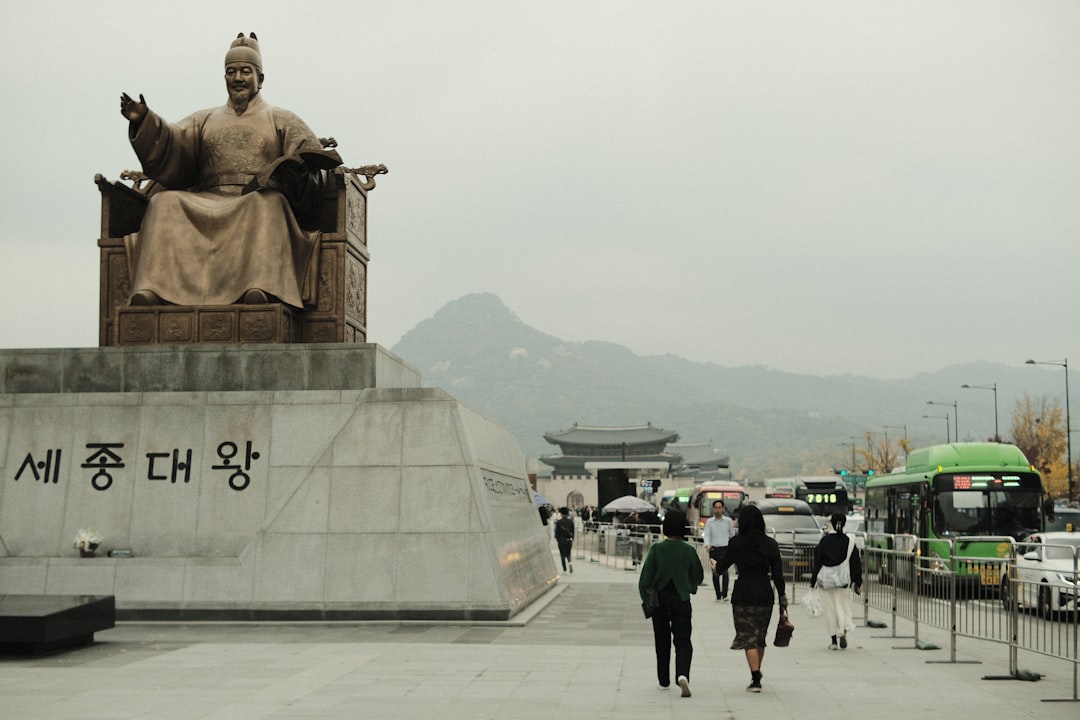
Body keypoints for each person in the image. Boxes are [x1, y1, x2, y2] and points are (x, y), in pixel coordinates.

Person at [119, 32, 340, 309]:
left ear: (260, 78)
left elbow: (310, 160)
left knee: (267, 205)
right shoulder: (204, 119)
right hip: (207, 196)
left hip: (256, 198)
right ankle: (153, 289)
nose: (237, 78)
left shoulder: (282, 119)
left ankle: (259, 287)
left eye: (245, 72)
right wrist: (146, 122)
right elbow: (174, 140)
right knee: (164, 202)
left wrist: (298, 174)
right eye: (231, 72)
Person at [716, 504, 787, 693]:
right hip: (765, 594)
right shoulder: (770, 544)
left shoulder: (736, 543)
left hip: (743, 594)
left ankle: (756, 679)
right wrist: (783, 597)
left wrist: (715, 563)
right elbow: (778, 575)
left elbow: (721, 567)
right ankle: (756, 671)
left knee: (748, 638)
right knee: (759, 637)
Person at [638, 510, 704, 698]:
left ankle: (663, 679)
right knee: (683, 639)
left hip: (659, 601)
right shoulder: (689, 550)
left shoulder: (656, 549)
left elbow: (645, 580)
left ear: (665, 527)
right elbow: (698, 576)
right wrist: (689, 586)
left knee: (662, 640)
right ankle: (682, 674)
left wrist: (647, 600)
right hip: (681, 599)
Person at [810, 512, 863, 650]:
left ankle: (834, 641)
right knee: (843, 608)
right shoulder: (849, 542)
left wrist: (813, 581)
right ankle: (843, 630)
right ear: (844, 524)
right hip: (844, 582)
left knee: (830, 611)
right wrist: (858, 582)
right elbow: (855, 563)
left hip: (826, 582)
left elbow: (817, 562)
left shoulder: (824, 541)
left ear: (832, 523)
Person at [702, 499, 735, 601]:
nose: (717, 510)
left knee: (725, 572)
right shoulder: (709, 522)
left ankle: (725, 594)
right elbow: (706, 534)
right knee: (715, 572)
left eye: (719, 508)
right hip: (714, 549)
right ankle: (718, 594)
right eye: (716, 508)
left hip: (725, 548)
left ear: (723, 509)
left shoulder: (728, 521)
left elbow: (731, 534)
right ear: (713, 509)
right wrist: (707, 545)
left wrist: (732, 546)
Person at [554, 507, 575, 573]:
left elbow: (557, 533)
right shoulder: (571, 522)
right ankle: (570, 563)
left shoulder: (559, 522)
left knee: (562, 554)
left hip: (561, 540)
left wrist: (557, 539)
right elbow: (573, 531)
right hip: (569, 539)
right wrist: (572, 538)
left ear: (561, 514)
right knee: (568, 553)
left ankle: (564, 569)